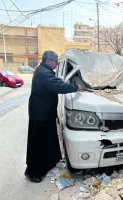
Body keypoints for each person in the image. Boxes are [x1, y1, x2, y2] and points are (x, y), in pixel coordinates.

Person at [25, 50, 81, 183]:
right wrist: (75, 87)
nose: (57, 63)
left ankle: (49, 162)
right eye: (55, 61)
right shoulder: (43, 73)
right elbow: (58, 85)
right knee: (38, 143)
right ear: (48, 60)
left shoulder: (44, 70)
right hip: (40, 114)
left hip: (45, 112)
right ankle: (33, 172)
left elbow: (56, 82)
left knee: (48, 139)